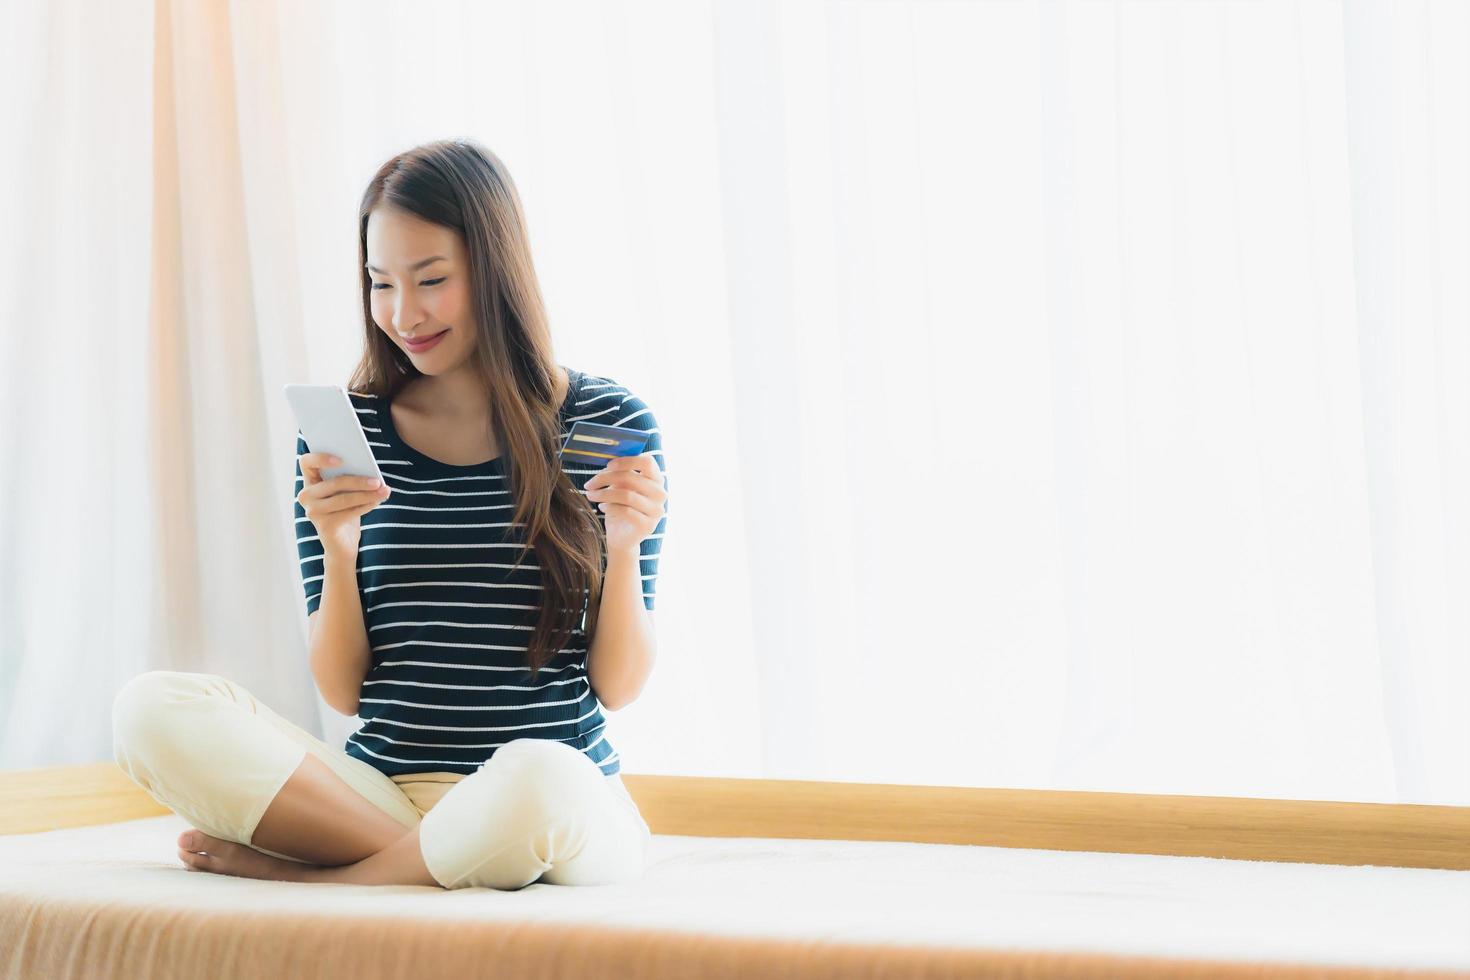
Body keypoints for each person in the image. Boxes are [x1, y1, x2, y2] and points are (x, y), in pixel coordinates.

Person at [112, 139, 668, 891]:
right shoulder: (350, 433)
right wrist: (337, 548)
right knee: (151, 708)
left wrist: (627, 548)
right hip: (386, 790)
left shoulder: (604, 420)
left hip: (552, 799)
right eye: (380, 284)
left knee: (542, 775)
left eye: (431, 279)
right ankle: (427, 861)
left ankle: (325, 883)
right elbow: (343, 692)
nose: (404, 314)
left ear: (494, 270)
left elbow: (619, 686)